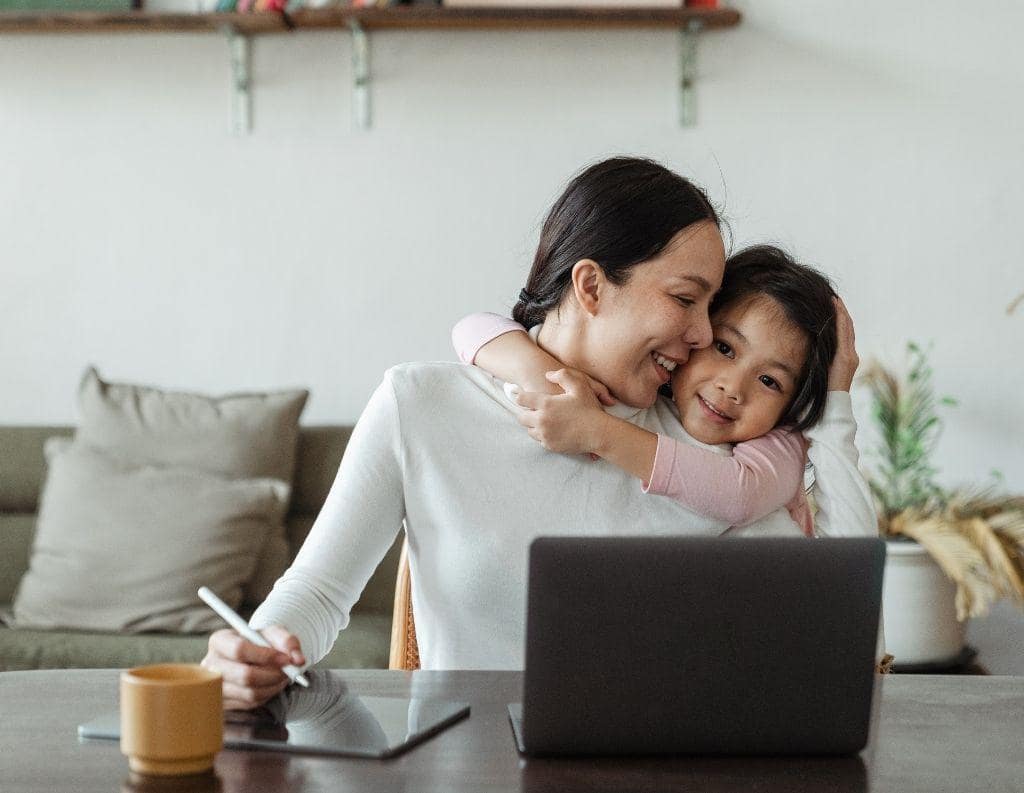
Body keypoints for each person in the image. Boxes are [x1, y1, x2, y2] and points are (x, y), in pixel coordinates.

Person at [201, 156, 875, 710]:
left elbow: (841, 614)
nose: (702, 336)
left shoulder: (712, 450)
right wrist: (256, 646)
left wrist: (837, 399)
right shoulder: (421, 405)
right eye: (684, 298)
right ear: (590, 286)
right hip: (463, 773)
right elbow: (317, 594)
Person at [452, 245, 870, 536]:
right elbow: (472, 327)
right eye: (724, 348)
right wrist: (542, 375)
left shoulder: (779, 444)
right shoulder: (648, 393)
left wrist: (598, 431)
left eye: (769, 381)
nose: (732, 386)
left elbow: (740, 494)